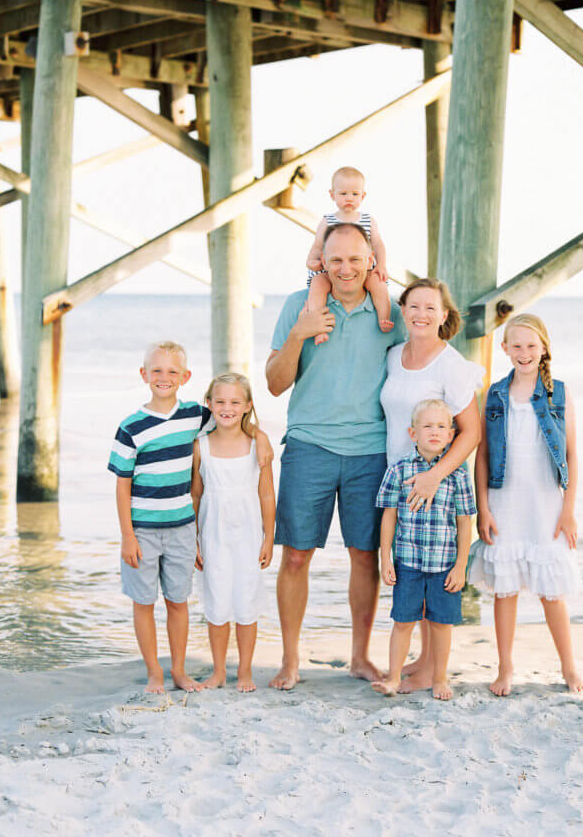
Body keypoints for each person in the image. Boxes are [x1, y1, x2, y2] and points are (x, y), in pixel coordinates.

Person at [266, 221, 406, 690]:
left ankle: (360, 658)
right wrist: (300, 334)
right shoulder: (298, 306)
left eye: (354, 259)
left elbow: (422, 365)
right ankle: (290, 660)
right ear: (321, 261)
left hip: (371, 450)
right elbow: (274, 382)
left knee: (365, 557)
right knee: (296, 558)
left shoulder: (392, 316)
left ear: (371, 261)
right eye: (336, 260)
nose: (345, 269)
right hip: (309, 445)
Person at [468, 313, 583, 695]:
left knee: (552, 589)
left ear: (544, 349)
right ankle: (505, 668)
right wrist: (483, 508)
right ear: (504, 349)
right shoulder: (495, 394)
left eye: (531, 346)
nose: (524, 353)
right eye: (516, 346)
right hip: (505, 500)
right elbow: (483, 455)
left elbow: (570, 454)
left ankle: (569, 668)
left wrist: (568, 510)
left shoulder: (559, 393)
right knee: (506, 589)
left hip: (546, 502)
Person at [379, 277, 482, 692]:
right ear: (402, 310)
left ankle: (427, 666)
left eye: (430, 308)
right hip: (399, 476)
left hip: (434, 481)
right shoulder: (391, 356)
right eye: (413, 306)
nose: (421, 314)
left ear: (443, 316)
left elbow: (470, 432)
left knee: (434, 570)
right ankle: (418, 662)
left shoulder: (452, 366)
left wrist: (435, 476)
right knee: (410, 567)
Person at [108, 340, 209, 694]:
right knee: (144, 602)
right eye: (156, 370)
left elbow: (234, 417)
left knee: (178, 601)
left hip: (182, 528)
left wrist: (258, 438)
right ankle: (154, 673)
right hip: (143, 532)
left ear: (185, 376)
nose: (163, 378)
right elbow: (122, 486)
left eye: (171, 371)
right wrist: (127, 536)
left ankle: (179, 671)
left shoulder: (196, 415)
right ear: (143, 374)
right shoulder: (131, 427)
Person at [373, 399, 475, 701]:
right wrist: (385, 558)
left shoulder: (457, 473)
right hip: (408, 562)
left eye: (441, 426)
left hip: (444, 564)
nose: (434, 431)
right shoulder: (399, 469)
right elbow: (389, 515)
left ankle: (439, 679)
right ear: (412, 433)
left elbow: (465, 522)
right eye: (427, 426)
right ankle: (392, 677)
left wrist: (461, 566)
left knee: (442, 623)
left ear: (451, 434)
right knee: (403, 620)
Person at [191, 372, 276, 692]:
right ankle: (218, 671)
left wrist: (269, 536)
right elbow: (196, 495)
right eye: (220, 401)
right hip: (213, 535)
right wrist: (194, 539)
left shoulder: (257, 445)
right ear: (209, 403)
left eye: (235, 402)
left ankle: (244, 671)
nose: (227, 408)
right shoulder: (201, 446)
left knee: (246, 601)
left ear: (248, 406)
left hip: (248, 533)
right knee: (216, 601)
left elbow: (267, 493)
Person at [305, 166, 392, 343]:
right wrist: (311, 261)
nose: (349, 199)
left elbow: (378, 245)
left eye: (354, 194)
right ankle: (318, 326)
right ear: (332, 195)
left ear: (363, 196)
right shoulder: (327, 221)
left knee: (378, 284)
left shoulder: (368, 220)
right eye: (343, 193)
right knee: (317, 286)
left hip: (363, 269)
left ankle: (384, 318)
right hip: (329, 269)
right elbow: (317, 246)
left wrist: (381, 265)